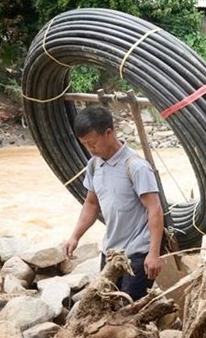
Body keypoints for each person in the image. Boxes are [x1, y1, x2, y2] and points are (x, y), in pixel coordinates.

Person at [62, 105, 164, 300]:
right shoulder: (94, 165)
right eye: (84, 144)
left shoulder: (136, 167)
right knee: (106, 307)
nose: (89, 149)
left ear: (109, 133)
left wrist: (154, 254)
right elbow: (91, 204)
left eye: (92, 143)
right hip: (110, 252)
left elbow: (155, 209)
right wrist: (75, 236)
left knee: (129, 314)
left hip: (137, 255)